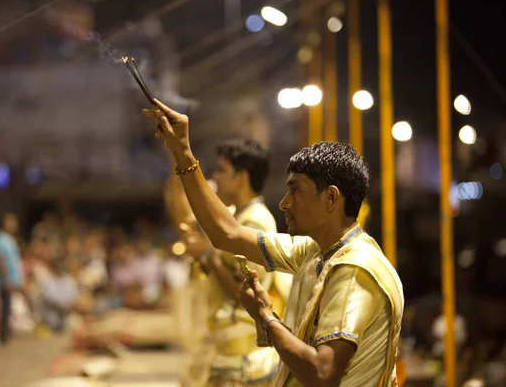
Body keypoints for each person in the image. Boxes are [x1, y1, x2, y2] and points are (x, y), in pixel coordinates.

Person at [143, 100, 404, 387]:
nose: (284, 204)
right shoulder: (315, 252)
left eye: (296, 191)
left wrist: (266, 318)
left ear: (331, 198)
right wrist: (181, 151)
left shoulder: (354, 268)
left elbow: (322, 372)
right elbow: (226, 234)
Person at [165, 138, 293, 386]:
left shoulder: (256, 222)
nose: (216, 177)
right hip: (227, 348)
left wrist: (206, 256)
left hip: (243, 355)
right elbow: (190, 218)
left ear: (241, 178)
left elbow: (247, 294)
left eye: (222, 170)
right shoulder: (237, 216)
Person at [0, 212, 24, 345]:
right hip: (5, 279)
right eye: (11, 221)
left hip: (12, 279)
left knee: (9, 307)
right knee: (5, 307)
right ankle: (3, 335)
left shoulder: (10, 238)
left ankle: (6, 333)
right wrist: (6, 278)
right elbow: (0, 259)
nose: (14, 224)